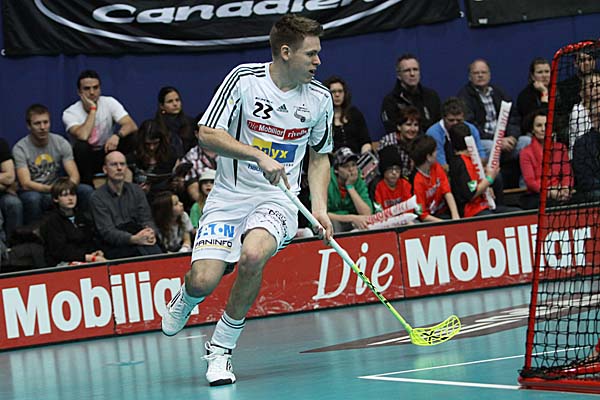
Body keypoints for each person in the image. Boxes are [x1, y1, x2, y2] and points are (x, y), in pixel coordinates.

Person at [160, 14, 334, 387]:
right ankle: (188, 297)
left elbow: (320, 156)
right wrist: (257, 155)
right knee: (203, 280)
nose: (318, 61)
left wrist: (319, 208)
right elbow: (207, 133)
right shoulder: (244, 80)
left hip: (279, 199)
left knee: (253, 255)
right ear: (285, 52)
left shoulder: (320, 99)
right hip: (229, 196)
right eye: (311, 54)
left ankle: (221, 349)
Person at [13, 104, 94, 226]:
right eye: (37, 123)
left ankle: (84, 228)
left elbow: (74, 176)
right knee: (33, 199)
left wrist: (65, 189)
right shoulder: (20, 148)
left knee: (86, 190)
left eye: (46, 122)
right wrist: (53, 189)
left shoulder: (60, 142)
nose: (42, 127)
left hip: (58, 188)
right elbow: (25, 183)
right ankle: (34, 233)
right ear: (29, 126)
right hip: (35, 191)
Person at [62, 69, 138, 186]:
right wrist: (93, 110)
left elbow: (131, 125)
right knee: (81, 146)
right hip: (86, 158)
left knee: (133, 136)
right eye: (87, 89)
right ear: (79, 92)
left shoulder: (109, 102)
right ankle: (88, 186)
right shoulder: (70, 113)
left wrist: (117, 135)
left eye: (95, 87)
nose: (92, 92)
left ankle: (129, 178)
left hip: (107, 150)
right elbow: (83, 136)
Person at [457, 59, 526, 187]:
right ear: (469, 77)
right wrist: (498, 141)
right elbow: (471, 127)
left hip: (505, 140)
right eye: (476, 73)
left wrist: (512, 136)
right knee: (489, 146)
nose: (480, 75)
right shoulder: (464, 97)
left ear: (489, 74)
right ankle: (491, 188)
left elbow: (513, 117)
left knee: (526, 142)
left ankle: (525, 188)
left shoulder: (499, 92)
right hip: (485, 141)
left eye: (483, 72)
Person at [89, 151, 162, 259]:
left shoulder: (137, 190)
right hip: (115, 246)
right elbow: (107, 232)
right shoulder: (97, 197)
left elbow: (146, 219)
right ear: (105, 169)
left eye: (122, 164)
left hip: (141, 239)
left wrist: (150, 232)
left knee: (155, 248)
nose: (119, 168)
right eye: (114, 164)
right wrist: (134, 239)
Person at [41, 177, 106, 266]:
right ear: (56, 199)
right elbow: (60, 251)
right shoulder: (52, 221)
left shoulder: (82, 217)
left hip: (84, 258)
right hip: (61, 263)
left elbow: (89, 240)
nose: (70, 198)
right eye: (65, 195)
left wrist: (95, 252)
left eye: (73, 194)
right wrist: (89, 257)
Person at [520, 109, 572, 209]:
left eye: (546, 125)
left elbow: (567, 174)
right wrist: (549, 192)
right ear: (532, 129)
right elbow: (531, 182)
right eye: (539, 126)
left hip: (561, 192)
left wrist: (565, 188)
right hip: (537, 196)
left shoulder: (561, 148)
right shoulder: (525, 153)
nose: (543, 129)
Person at [446, 123, 501, 217]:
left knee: (515, 212)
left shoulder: (473, 158)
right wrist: (489, 179)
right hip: (470, 210)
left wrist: (487, 188)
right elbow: (471, 194)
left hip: (485, 204)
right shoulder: (459, 164)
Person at [380, 54, 441, 134]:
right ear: (399, 75)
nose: (412, 74)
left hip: (430, 141)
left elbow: (439, 127)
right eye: (407, 70)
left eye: (415, 69)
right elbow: (392, 131)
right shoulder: (390, 101)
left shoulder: (431, 96)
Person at [409, 135, 460, 222]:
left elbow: (447, 191)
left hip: (442, 212)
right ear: (428, 157)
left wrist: (455, 216)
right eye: (435, 151)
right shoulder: (416, 181)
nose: (437, 153)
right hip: (428, 220)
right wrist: (444, 224)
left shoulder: (436, 166)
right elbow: (422, 215)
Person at [126, 119, 178, 200]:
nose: (151, 147)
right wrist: (137, 189)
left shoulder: (170, 156)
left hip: (163, 197)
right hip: (137, 197)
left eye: (155, 143)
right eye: (148, 144)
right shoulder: (132, 157)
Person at [327, 146, 373, 232]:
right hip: (329, 226)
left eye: (354, 165)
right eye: (346, 166)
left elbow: (367, 214)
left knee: (366, 225)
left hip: (352, 224)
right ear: (336, 170)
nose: (351, 169)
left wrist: (350, 187)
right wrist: (352, 218)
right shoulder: (326, 180)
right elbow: (321, 214)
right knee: (334, 225)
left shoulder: (358, 180)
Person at [323, 75, 372, 154]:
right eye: (333, 92)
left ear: (345, 93)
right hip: (334, 159)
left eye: (340, 91)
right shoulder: (323, 118)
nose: (337, 95)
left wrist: (363, 157)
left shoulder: (355, 113)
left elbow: (365, 141)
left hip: (357, 158)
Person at [377, 106, 421, 178]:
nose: (413, 129)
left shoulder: (419, 142)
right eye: (408, 125)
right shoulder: (389, 142)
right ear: (399, 127)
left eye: (416, 125)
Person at [154, 86, 196, 159]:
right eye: (170, 101)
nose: (175, 104)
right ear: (161, 106)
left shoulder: (191, 123)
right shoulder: (156, 126)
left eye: (177, 100)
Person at [568, 72, 600, 156]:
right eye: (591, 86)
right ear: (583, 90)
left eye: (598, 85)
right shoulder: (578, 110)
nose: (596, 89)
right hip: (582, 155)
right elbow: (583, 140)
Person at [374, 146, 412, 211]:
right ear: (383, 170)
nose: (394, 172)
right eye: (390, 169)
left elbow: (409, 207)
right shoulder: (377, 186)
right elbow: (378, 210)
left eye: (397, 169)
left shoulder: (405, 184)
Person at [0, 138, 23, 240]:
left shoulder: (1, 143)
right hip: (3, 188)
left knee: (14, 203)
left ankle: (14, 243)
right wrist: (4, 187)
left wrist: (4, 187)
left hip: (3, 193)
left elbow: (9, 177)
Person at [516, 58, 551, 123]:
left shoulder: (557, 91)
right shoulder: (525, 96)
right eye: (540, 72)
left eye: (547, 71)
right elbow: (536, 121)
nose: (544, 75)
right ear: (532, 76)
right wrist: (544, 93)